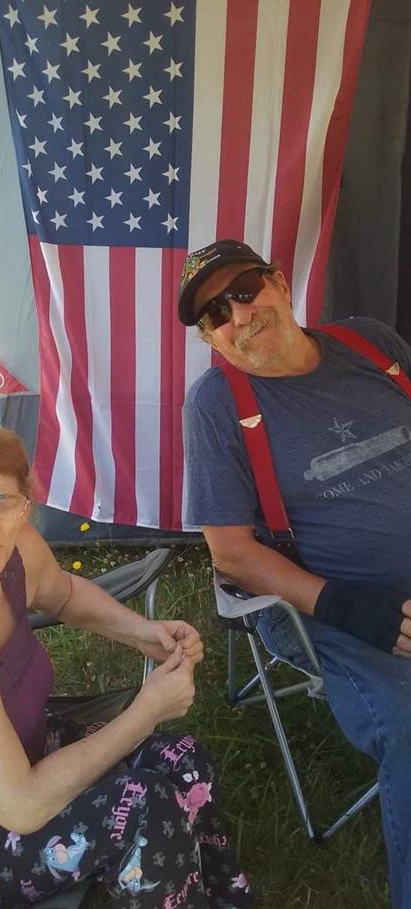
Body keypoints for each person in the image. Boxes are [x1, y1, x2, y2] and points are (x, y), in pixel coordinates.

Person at [0, 421, 253, 909]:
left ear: (24, 502)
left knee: (183, 760)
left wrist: (144, 634)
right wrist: (146, 711)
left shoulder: (10, 547)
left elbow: (63, 592)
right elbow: (22, 806)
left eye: (1, 500)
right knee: (142, 806)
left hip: (24, 763)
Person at [179, 239, 411, 909]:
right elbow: (230, 551)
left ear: (279, 283)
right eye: (215, 314)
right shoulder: (217, 405)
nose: (239, 315)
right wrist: (345, 606)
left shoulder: (368, 343)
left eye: (245, 289)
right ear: (210, 339)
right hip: (336, 606)